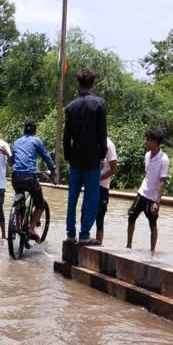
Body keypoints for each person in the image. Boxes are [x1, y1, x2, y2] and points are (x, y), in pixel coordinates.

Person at [63, 69, 108, 245]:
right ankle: (84, 235)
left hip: (75, 160)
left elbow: (67, 137)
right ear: (92, 83)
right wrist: (102, 155)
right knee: (91, 198)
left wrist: (68, 157)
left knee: (72, 198)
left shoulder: (71, 107)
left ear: (78, 83)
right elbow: (102, 134)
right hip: (92, 160)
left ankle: (70, 234)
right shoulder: (99, 104)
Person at [11, 120, 56, 243]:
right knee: (40, 203)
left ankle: (19, 225)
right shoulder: (36, 141)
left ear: (24, 130)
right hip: (30, 177)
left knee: (20, 200)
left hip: (15, 177)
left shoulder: (16, 142)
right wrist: (53, 171)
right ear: (35, 131)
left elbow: (13, 160)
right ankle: (30, 228)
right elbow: (46, 157)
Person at [126, 129, 169, 253]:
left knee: (152, 224)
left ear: (155, 142)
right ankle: (128, 246)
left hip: (152, 197)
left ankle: (152, 252)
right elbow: (147, 174)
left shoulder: (163, 159)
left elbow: (163, 181)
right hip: (142, 192)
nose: (146, 142)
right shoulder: (147, 155)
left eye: (148, 140)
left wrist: (157, 202)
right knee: (131, 216)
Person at [96, 137, 118, 244]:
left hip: (102, 187)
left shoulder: (109, 145)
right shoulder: (92, 141)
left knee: (99, 219)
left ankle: (98, 245)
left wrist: (98, 179)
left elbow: (114, 169)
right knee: (84, 215)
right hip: (91, 186)